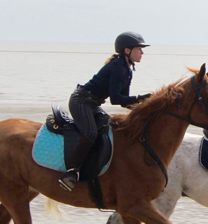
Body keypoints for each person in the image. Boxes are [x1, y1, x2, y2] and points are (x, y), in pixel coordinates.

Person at [58, 31, 153, 191]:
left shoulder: (127, 69)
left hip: (91, 104)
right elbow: (115, 99)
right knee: (90, 132)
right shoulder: (117, 66)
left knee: (110, 129)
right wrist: (142, 97)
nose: (142, 52)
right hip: (80, 101)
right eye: (139, 49)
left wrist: (146, 107)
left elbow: (125, 101)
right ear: (127, 51)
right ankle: (71, 172)